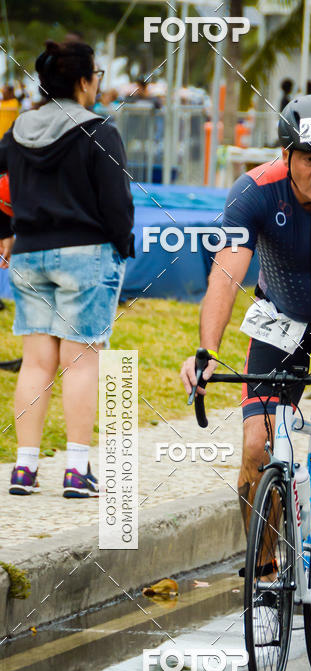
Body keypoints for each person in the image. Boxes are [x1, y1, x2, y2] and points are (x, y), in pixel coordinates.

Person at [181, 94, 311, 547]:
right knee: (256, 448)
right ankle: (263, 570)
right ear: (286, 156)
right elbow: (226, 273)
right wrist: (207, 351)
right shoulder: (253, 190)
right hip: (281, 316)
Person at [0, 39, 134, 497]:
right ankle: (77, 471)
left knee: (36, 363)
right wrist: (123, 245)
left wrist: (5, 228)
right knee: (80, 361)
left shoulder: (17, 130)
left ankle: (24, 468)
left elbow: (1, 181)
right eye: (95, 76)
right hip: (86, 253)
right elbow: (117, 203)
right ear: (82, 80)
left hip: (29, 255)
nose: (97, 84)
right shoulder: (99, 130)